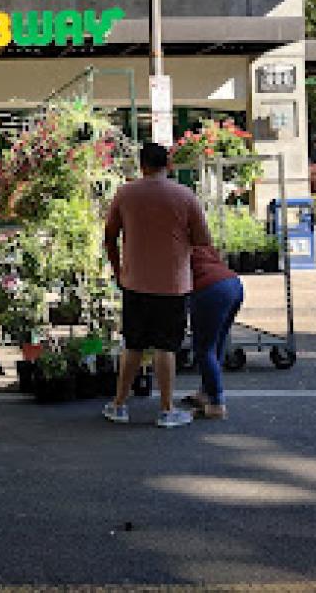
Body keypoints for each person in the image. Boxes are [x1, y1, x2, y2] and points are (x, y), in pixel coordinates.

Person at [102, 141, 211, 428]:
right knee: (166, 347)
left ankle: (119, 405)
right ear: (169, 165)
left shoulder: (125, 193)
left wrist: (117, 269)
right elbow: (203, 240)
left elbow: (110, 236)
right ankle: (166, 409)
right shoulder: (185, 195)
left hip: (134, 281)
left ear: (142, 166)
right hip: (173, 284)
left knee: (133, 344)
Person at [183, 245, 244, 419]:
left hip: (209, 289)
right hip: (233, 284)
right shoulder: (199, 241)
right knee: (218, 341)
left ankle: (217, 403)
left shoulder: (174, 245)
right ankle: (207, 392)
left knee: (204, 348)